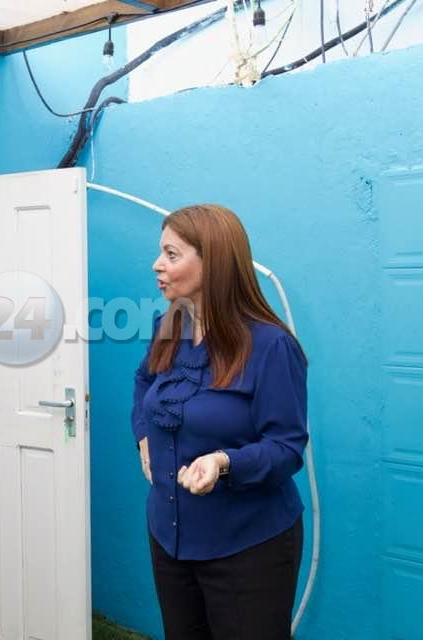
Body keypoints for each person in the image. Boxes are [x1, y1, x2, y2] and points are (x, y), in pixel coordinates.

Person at [131, 204, 308, 640]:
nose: (157, 265)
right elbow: (144, 381)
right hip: (169, 539)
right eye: (160, 252)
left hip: (248, 547)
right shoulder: (168, 326)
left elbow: (286, 448)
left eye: (172, 254)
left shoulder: (271, 346)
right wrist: (142, 435)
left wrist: (224, 463)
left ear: (213, 263)